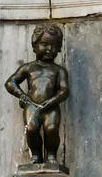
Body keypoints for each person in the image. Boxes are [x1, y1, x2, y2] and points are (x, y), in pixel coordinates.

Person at [4, 24, 70, 164]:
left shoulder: (59, 70)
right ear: (35, 45)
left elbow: (64, 90)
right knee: (31, 129)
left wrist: (52, 101)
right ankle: (36, 156)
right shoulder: (28, 68)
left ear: (58, 48)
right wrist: (22, 96)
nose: (49, 49)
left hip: (51, 107)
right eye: (44, 44)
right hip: (32, 105)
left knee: (51, 129)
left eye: (53, 45)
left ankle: (51, 155)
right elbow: (10, 83)